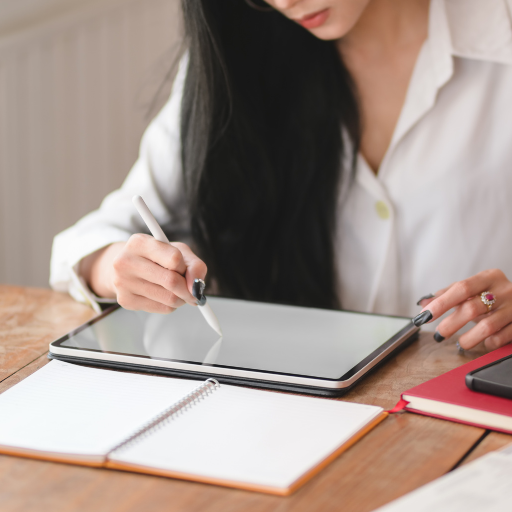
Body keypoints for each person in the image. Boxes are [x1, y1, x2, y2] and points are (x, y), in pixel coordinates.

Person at [50, 0, 512, 352]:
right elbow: (89, 239)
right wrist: (118, 268)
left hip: (471, 416)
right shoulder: (239, 61)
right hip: (305, 416)